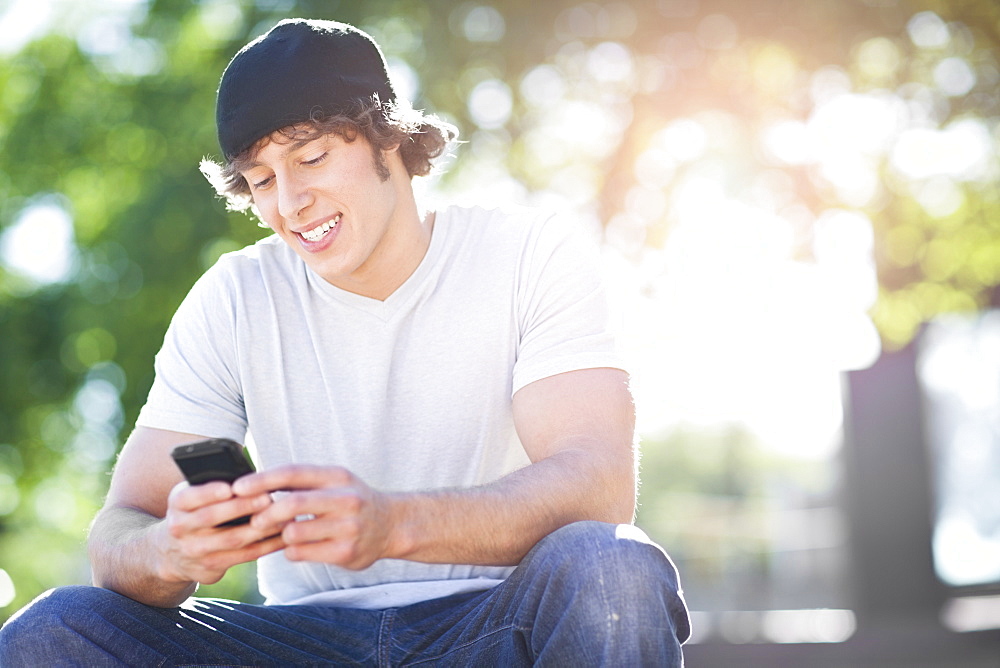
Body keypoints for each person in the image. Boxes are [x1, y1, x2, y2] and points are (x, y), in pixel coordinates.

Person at [0, 18, 689, 666]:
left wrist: (393, 526)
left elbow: (598, 486)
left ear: (388, 136)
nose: (290, 202)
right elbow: (118, 531)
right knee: (54, 631)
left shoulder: (529, 253)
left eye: (313, 157)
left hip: (495, 624)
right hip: (303, 640)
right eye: (262, 180)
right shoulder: (236, 296)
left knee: (612, 570)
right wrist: (172, 549)